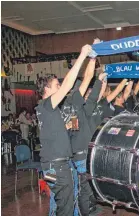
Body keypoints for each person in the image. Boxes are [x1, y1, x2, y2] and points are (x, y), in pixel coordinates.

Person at [35, 44, 92, 216]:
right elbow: (69, 83)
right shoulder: (46, 105)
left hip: (56, 166)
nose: (60, 87)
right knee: (65, 206)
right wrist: (82, 55)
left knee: (63, 200)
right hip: (56, 166)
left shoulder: (49, 110)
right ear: (47, 89)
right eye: (56, 85)